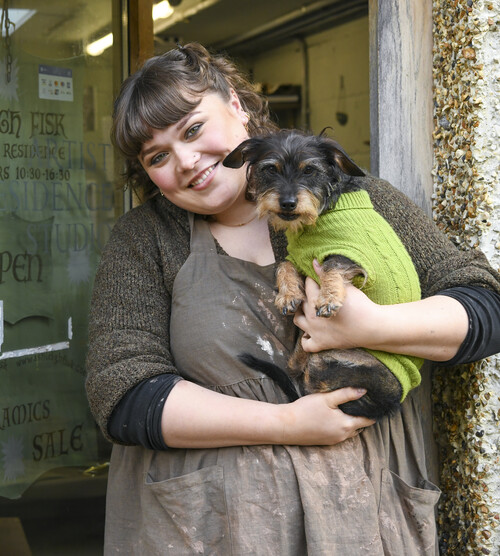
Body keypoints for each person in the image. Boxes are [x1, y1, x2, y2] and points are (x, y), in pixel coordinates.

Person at [85, 43, 500, 555]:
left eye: (193, 129)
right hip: (210, 528)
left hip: (364, 519)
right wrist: (290, 424)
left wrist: (369, 328)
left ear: (235, 105)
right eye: (158, 156)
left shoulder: (355, 199)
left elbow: (485, 305)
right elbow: (124, 396)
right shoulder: (144, 239)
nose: (187, 161)